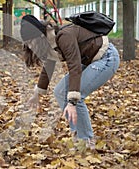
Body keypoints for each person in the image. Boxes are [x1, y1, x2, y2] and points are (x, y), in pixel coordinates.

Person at [20, 15, 120, 150]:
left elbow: (74, 67)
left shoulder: (64, 37)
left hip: (106, 57)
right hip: (90, 60)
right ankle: (79, 134)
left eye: (32, 42)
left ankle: (85, 141)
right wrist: (36, 94)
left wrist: (72, 102)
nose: (31, 47)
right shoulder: (50, 43)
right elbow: (48, 68)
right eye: (28, 43)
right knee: (60, 92)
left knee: (76, 97)